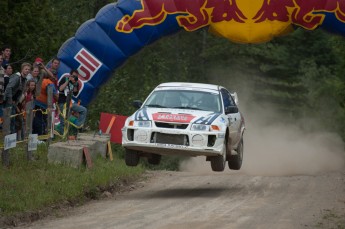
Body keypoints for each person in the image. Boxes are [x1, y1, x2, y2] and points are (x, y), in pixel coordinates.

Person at [4, 62, 31, 134]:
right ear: (22, 69)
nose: (27, 71)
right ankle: (8, 136)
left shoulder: (24, 79)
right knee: (9, 120)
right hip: (8, 101)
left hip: (14, 102)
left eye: (28, 69)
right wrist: (10, 100)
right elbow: (9, 88)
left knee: (13, 120)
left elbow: (20, 92)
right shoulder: (16, 77)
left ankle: (11, 137)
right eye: (26, 69)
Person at [58, 69, 87, 134]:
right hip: (62, 102)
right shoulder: (65, 79)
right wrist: (68, 81)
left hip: (70, 102)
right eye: (73, 76)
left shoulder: (76, 83)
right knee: (64, 119)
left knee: (83, 110)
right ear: (70, 75)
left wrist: (75, 84)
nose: (74, 77)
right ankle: (62, 135)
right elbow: (60, 89)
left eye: (76, 76)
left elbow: (75, 93)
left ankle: (78, 126)